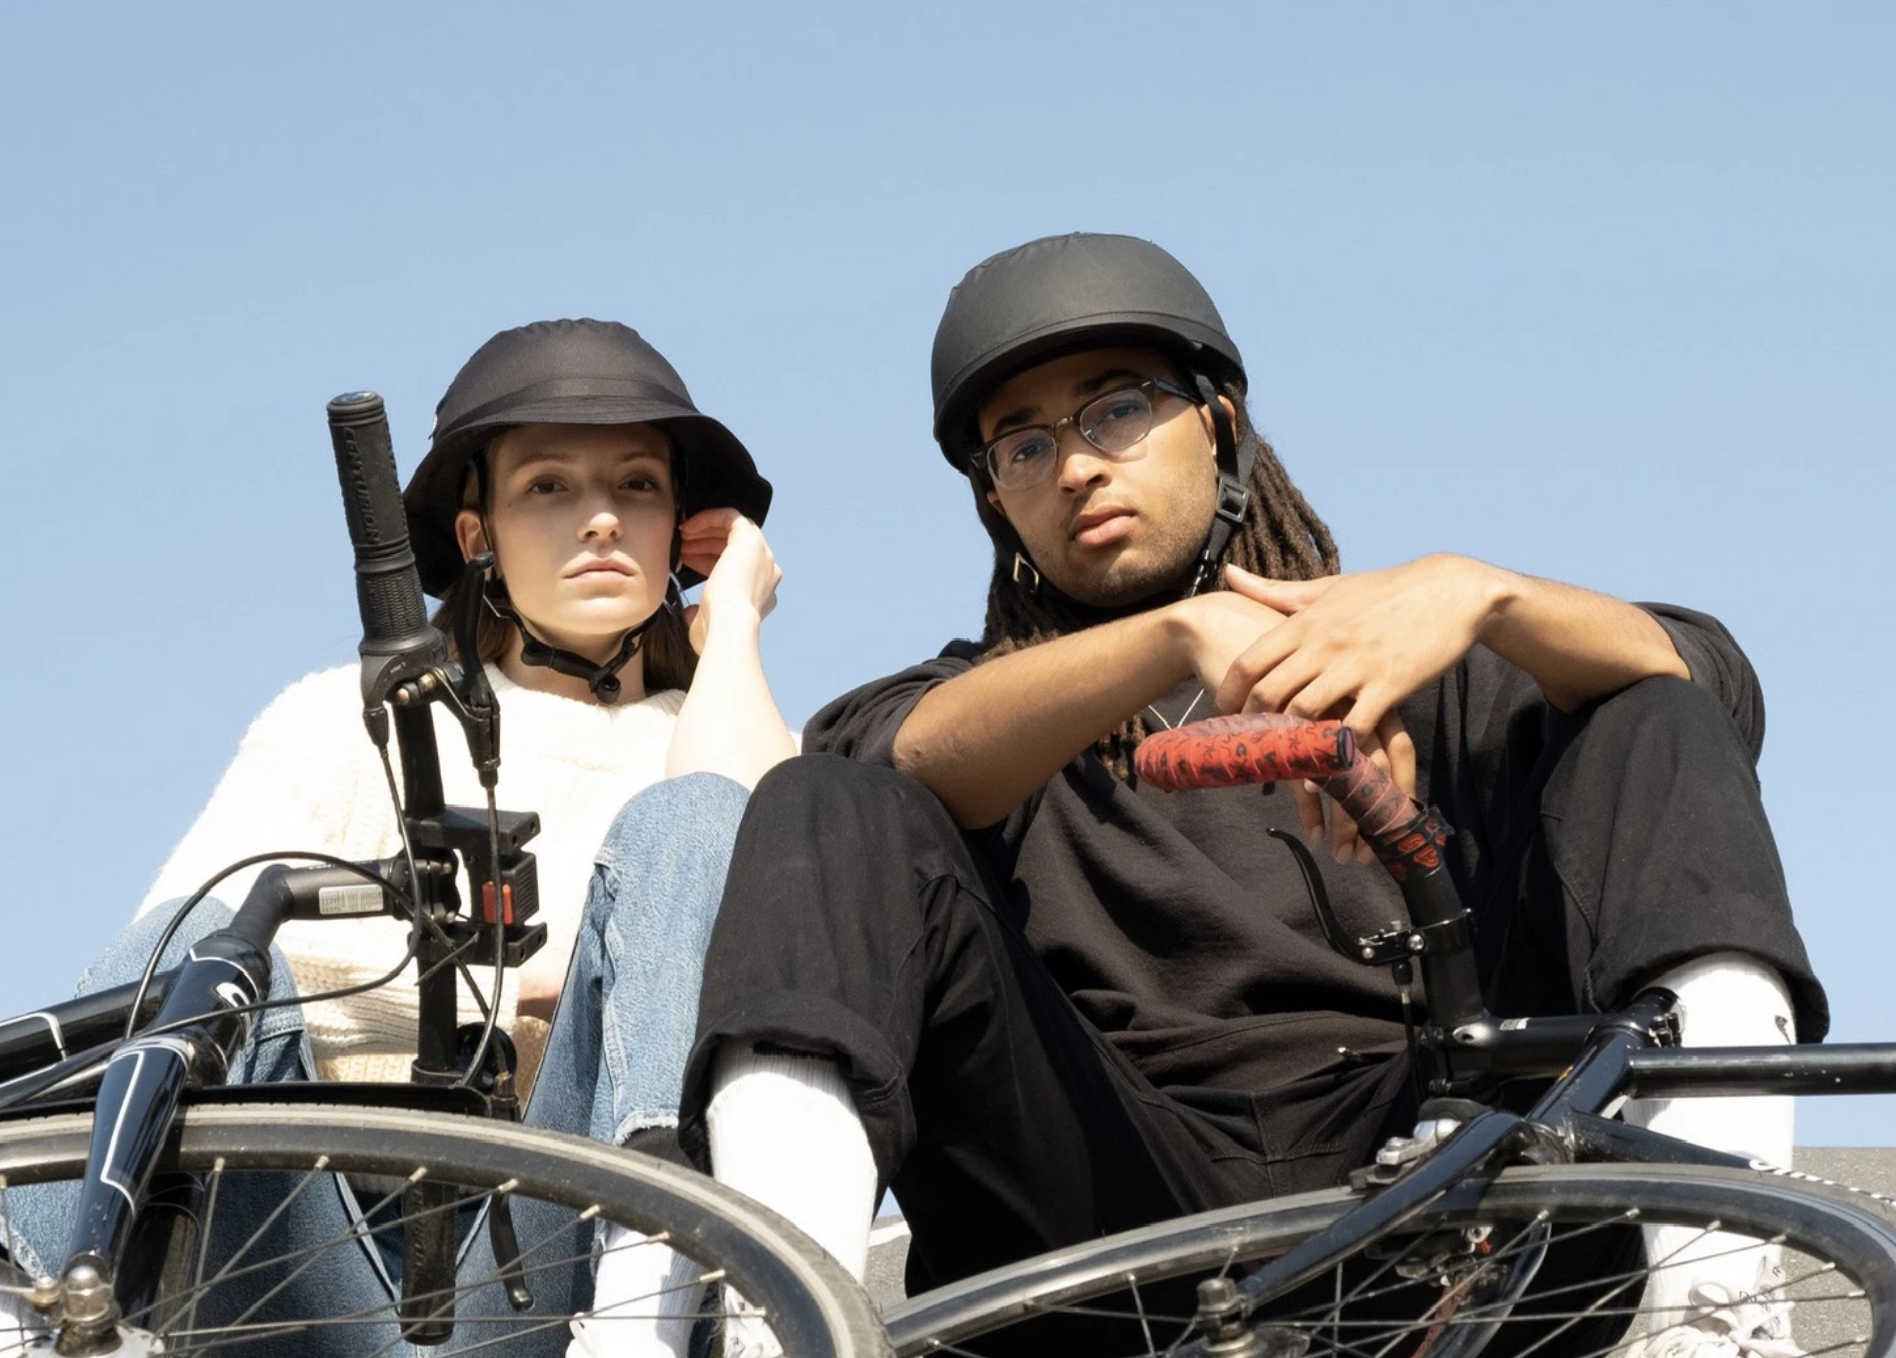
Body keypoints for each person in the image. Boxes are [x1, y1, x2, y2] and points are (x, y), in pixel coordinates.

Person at [676, 234, 1827, 1356]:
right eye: (1019, 447)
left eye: (1116, 408)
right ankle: (781, 1327)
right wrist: (1174, 635)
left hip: (1440, 1183)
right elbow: (898, 762)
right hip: (1106, 1204)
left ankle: (1719, 1312)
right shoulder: (981, 708)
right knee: (823, 802)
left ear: (1219, 422)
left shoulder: (1417, 659)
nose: (1073, 464)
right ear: (996, 502)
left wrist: (1480, 593)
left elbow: (1706, 681)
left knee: (1650, 702)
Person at [1, 318, 794, 1358]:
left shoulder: (720, 734)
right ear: (478, 539)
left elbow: (757, 917)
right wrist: (524, 990)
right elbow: (184, 959)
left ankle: (641, 1309)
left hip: (562, 1270)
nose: (601, 517)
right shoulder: (343, 716)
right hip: (311, 1251)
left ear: (683, 525)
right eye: (549, 486)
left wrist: (733, 617)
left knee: (691, 822)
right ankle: (30, 1307)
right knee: (194, 937)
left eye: (638, 485)